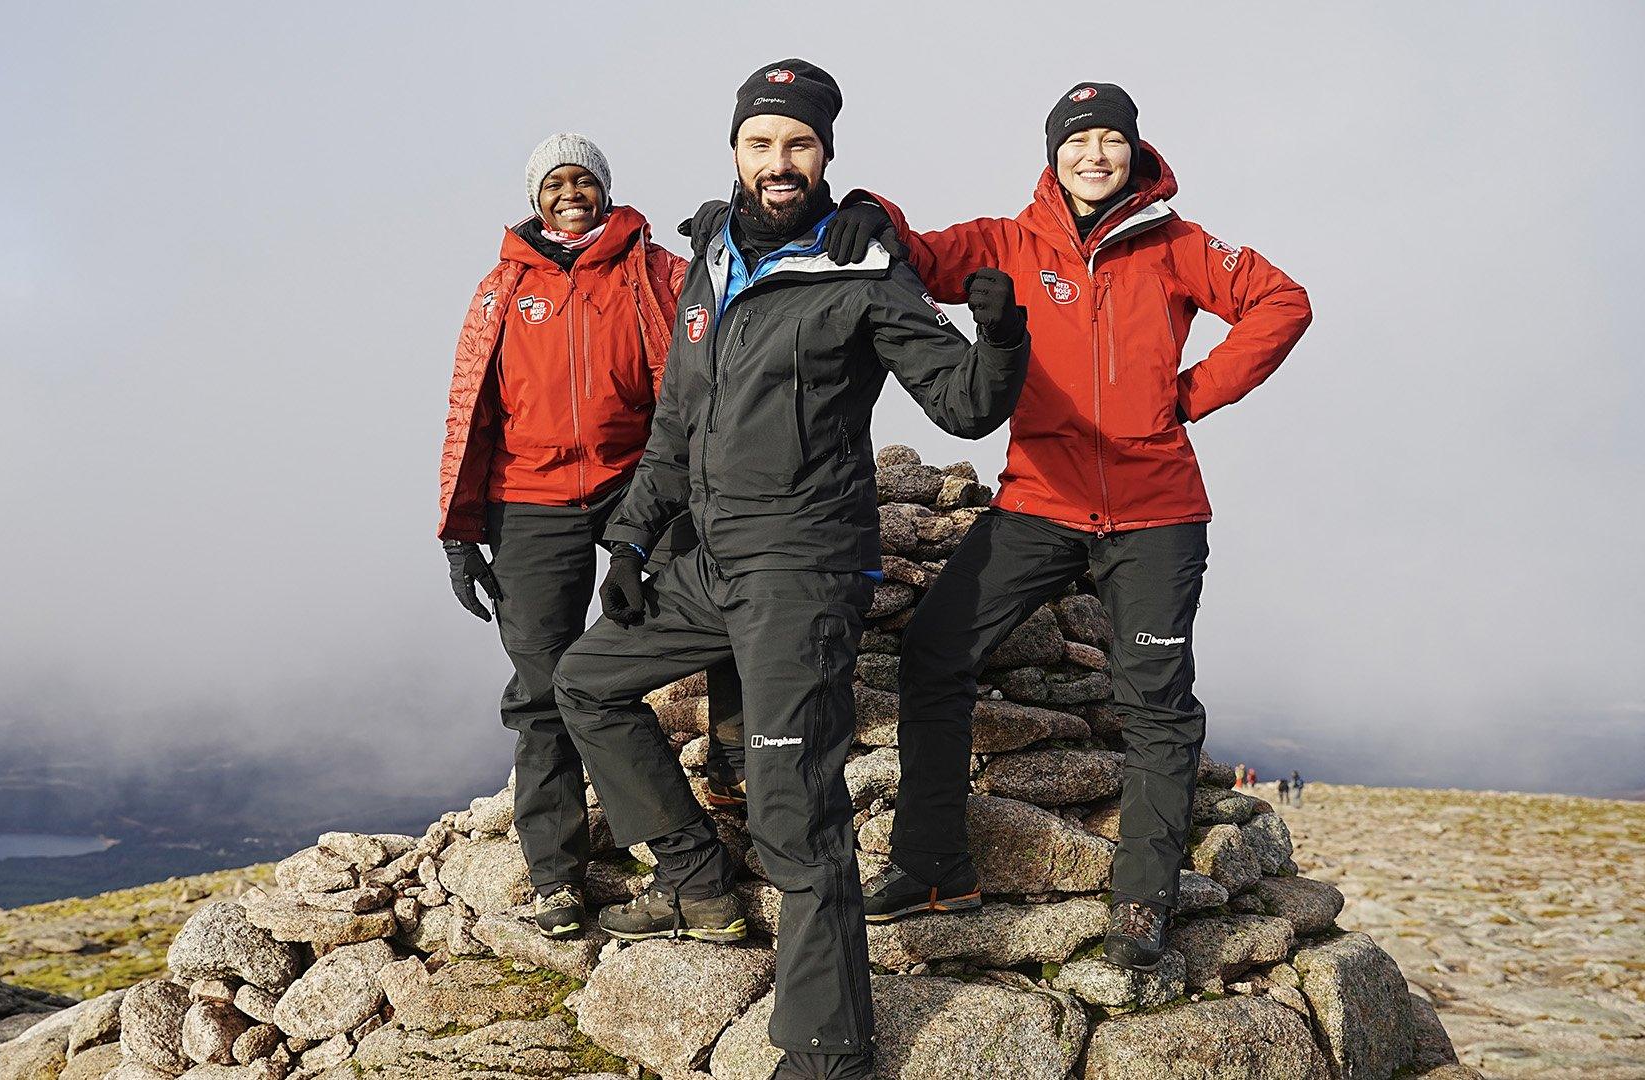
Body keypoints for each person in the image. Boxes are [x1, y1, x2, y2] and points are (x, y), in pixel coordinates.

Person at [552, 59, 1029, 1080]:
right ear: (736, 151)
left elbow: (961, 405)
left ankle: (829, 1049)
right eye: (763, 143)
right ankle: (694, 880)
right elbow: (678, 418)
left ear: (826, 157)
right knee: (584, 682)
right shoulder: (709, 254)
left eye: (800, 145)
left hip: (801, 568)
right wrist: (635, 539)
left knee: (792, 806)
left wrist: (1000, 334)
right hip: (707, 557)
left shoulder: (861, 268)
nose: (780, 162)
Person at [829, 81, 1313, 973]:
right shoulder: (1012, 243)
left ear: (1134, 151)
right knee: (936, 650)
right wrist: (867, 208)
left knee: (1155, 704)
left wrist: (1192, 394)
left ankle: (1140, 903)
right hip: (1039, 503)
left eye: (1111, 141)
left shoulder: (1177, 245)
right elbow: (922, 252)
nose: (1095, 155)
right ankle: (934, 864)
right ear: (1053, 154)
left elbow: (1283, 301)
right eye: (1078, 141)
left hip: (1155, 512)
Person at [436, 133, 743, 940]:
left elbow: (722, 332)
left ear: (605, 189)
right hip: (527, 503)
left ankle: (735, 789)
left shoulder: (653, 271)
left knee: (716, 627)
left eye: (584, 180)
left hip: (638, 488)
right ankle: (557, 877)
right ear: (536, 197)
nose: (570, 193)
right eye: (554, 183)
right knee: (541, 690)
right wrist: (460, 532)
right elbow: (471, 411)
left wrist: (727, 239)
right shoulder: (503, 287)